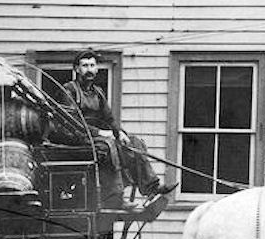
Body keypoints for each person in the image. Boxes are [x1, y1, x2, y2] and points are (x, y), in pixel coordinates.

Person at [55, 49, 177, 205]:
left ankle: (151, 186)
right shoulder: (69, 90)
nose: (89, 70)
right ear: (77, 69)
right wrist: (100, 133)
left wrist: (118, 133)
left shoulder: (97, 92)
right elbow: (72, 123)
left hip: (98, 137)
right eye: (85, 66)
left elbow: (109, 118)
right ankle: (116, 198)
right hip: (76, 138)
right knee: (109, 145)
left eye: (92, 65)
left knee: (134, 142)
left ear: (97, 69)